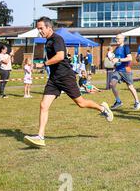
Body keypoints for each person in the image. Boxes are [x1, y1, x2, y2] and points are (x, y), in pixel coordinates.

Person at [23, 17, 113, 148]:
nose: (39, 31)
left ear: (49, 27)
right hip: (54, 78)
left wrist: (43, 64)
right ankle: (40, 137)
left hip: (65, 76)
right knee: (43, 105)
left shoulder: (57, 39)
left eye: (41, 28)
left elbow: (60, 56)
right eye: (38, 29)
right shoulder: (48, 41)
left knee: (81, 103)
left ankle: (103, 109)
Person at [109, 34, 140, 111]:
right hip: (117, 70)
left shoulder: (125, 47)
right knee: (112, 84)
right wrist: (112, 60)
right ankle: (118, 101)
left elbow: (129, 58)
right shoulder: (116, 48)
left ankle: (137, 101)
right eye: (115, 39)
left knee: (130, 87)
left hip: (126, 70)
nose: (116, 40)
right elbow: (115, 58)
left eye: (118, 39)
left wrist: (119, 60)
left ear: (123, 39)